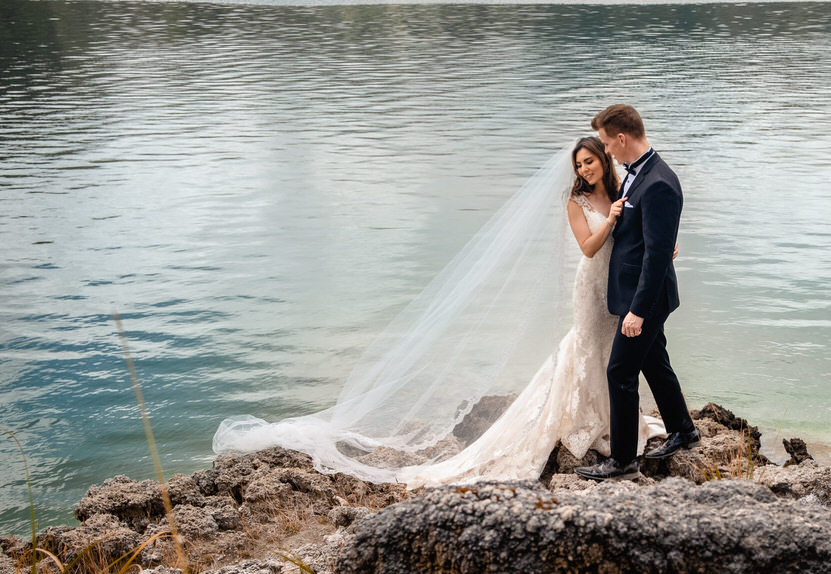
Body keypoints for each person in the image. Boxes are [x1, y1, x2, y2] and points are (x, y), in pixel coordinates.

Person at [213, 137, 665, 485]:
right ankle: (586, 422)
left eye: (590, 161)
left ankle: (613, 422)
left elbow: (642, 231)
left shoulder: (625, 187)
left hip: (619, 288)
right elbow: (588, 250)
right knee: (586, 351)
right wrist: (609, 221)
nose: (585, 169)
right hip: (591, 287)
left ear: (604, 161)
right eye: (579, 165)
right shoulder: (577, 203)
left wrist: (661, 246)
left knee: (612, 356)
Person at [576, 105, 699, 482]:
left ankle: (623, 460)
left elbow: (657, 255)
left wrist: (638, 312)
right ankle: (683, 429)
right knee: (654, 361)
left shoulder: (659, 181)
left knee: (620, 371)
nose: (607, 152)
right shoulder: (638, 174)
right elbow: (646, 237)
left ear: (622, 138)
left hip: (646, 299)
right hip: (637, 292)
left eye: (608, 145)